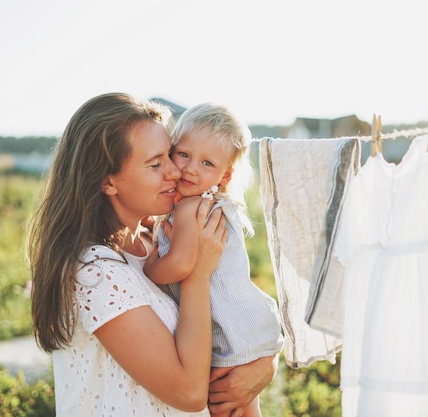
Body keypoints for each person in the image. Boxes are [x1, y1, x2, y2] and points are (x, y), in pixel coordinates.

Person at [28, 93, 276, 417]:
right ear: (108, 181)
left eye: (169, 155)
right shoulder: (96, 273)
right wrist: (197, 275)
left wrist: (261, 364)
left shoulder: (151, 242)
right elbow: (189, 393)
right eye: (157, 163)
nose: (176, 171)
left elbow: (225, 306)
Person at [144, 103, 283, 417]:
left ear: (225, 175)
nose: (191, 169)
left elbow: (179, 265)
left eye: (207, 163)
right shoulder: (210, 204)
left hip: (229, 336)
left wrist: (151, 267)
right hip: (247, 326)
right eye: (184, 155)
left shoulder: (191, 208)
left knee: (225, 409)